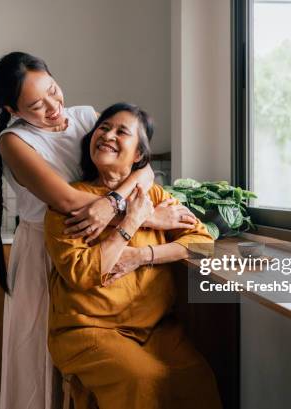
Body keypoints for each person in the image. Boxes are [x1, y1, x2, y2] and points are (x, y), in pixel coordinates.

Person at [0, 52, 198, 409]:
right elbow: (69, 202)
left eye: (54, 91)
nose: (54, 108)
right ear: (12, 109)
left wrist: (114, 203)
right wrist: (144, 218)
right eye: (36, 105)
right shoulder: (13, 141)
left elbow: (142, 166)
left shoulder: (86, 117)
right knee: (38, 362)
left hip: (104, 242)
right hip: (48, 249)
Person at [44, 103, 223, 409]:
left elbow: (203, 243)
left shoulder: (154, 197)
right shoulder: (69, 202)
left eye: (121, 131)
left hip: (156, 330)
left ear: (138, 155)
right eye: (104, 127)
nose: (108, 135)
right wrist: (129, 223)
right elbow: (82, 273)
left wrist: (143, 255)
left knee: (198, 378)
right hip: (87, 330)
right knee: (142, 380)